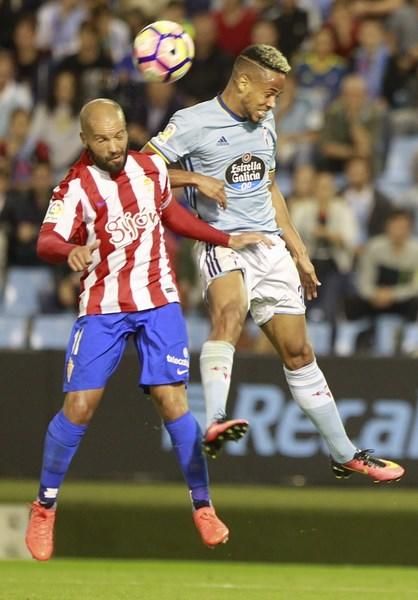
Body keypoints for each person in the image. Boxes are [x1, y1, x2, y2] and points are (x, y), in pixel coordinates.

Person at [145, 44, 405, 483]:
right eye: (269, 93)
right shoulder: (191, 123)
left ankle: (345, 453)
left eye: (278, 97)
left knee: (299, 352)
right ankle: (217, 421)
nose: (272, 104)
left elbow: (269, 185)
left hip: (270, 247)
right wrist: (194, 178)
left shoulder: (264, 121)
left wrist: (298, 248)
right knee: (230, 313)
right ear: (242, 81)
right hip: (222, 242)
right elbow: (141, 169)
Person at [24, 98, 270, 562]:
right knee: (79, 407)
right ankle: (45, 506)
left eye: (119, 135)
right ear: (85, 140)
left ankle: (202, 505)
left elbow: (170, 216)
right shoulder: (74, 188)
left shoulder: (150, 170)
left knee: (173, 399)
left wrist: (224, 237)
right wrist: (68, 252)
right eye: (102, 139)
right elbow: (47, 239)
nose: (114, 146)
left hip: (158, 300)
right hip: (103, 306)